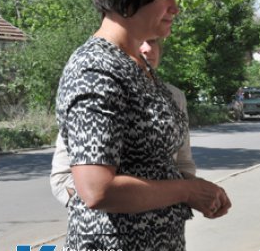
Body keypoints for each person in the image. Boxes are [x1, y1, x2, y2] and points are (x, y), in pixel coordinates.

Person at [55, 0, 231, 251]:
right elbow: (95, 189)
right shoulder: (95, 69)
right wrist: (186, 189)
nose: (175, 7)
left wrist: (198, 194)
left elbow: (154, 163)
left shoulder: (137, 66)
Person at [50, 38, 196, 207]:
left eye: (153, 42)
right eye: (139, 42)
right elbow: (62, 178)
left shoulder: (175, 96)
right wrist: (100, 208)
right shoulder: (98, 88)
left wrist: (188, 196)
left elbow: (184, 163)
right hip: (110, 228)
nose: (147, 49)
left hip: (169, 227)